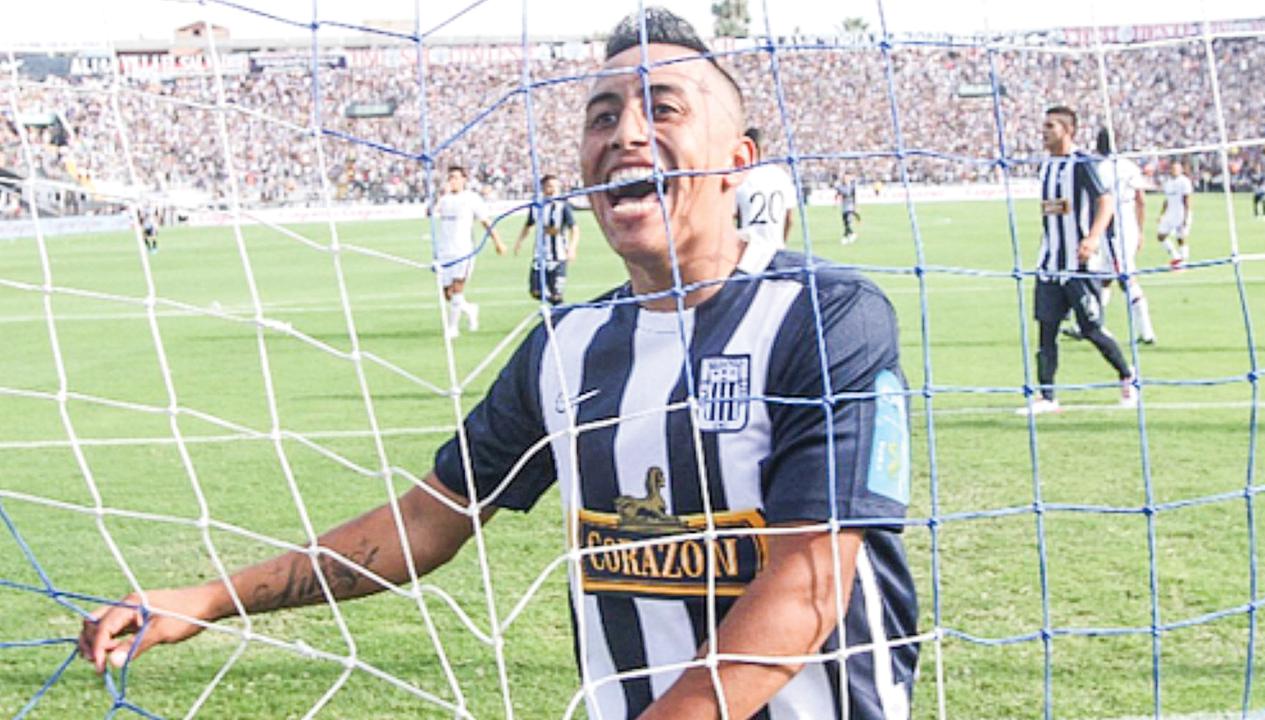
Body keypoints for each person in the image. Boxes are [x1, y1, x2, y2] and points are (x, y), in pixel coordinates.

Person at [80, 9, 918, 720]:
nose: (625, 133)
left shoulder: (827, 315)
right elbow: (426, 521)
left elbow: (808, 585)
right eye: (601, 117)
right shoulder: (567, 346)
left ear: (738, 160)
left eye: (661, 108)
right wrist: (209, 600)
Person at [1021, 106, 1136, 416]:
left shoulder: (1083, 163)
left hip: (1080, 265)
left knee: (1091, 329)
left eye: (1051, 126)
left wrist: (1093, 237)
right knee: (1046, 330)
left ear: (1068, 130)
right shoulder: (1046, 166)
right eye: (1043, 125)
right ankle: (1047, 396)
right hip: (1049, 264)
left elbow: (1106, 201)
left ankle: (1127, 375)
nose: (1044, 132)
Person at [1063, 128, 1156, 345]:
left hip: (1111, 228)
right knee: (1104, 278)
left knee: (1125, 278)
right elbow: (1141, 200)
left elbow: (1093, 201)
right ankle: (1090, 325)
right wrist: (1140, 231)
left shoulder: (1097, 167)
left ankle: (1146, 331)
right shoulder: (1128, 166)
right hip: (1128, 223)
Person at [429, 165, 505, 338]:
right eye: (450, 177)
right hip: (444, 251)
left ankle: (452, 328)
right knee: (447, 293)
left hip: (463, 251)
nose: (452, 181)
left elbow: (485, 221)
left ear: (464, 179)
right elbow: (429, 213)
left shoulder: (471, 199)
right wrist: (441, 195)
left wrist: (497, 242)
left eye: (456, 177)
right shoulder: (445, 199)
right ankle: (470, 309)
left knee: (457, 288)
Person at [734, 126, 797, 269]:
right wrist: (782, 242)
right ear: (764, 148)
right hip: (776, 252)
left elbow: (736, 217)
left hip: (748, 256)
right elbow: (790, 219)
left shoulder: (741, 177)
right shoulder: (781, 176)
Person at [512, 173, 580, 305]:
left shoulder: (563, 206)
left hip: (558, 256)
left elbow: (575, 229)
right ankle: (558, 308)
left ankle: (558, 309)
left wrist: (572, 249)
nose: (553, 189)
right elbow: (528, 225)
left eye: (556, 186)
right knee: (535, 291)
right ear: (543, 188)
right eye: (550, 186)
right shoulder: (536, 206)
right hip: (540, 256)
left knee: (557, 294)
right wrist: (519, 242)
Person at [1156, 160, 1193, 269]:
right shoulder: (1168, 182)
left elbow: (1187, 200)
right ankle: (1175, 256)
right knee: (1160, 236)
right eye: (1173, 169)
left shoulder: (1184, 182)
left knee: (1181, 238)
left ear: (1181, 170)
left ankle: (1183, 260)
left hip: (1180, 213)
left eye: (1177, 169)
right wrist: (1161, 214)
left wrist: (1186, 217)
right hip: (1170, 214)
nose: (1174, 171)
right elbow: (1167, 200)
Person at [834, 174, 861, 244]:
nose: (846, 180)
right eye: (844, 178)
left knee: (848, 220)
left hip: (850, 205)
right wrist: (835, 203)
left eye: (847, 178)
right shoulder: (840, 187)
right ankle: (846, 236)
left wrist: (856, 206)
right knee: (845, 222)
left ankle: (851, 234)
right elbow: (837, 195)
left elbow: (854, 197)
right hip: (844, 205)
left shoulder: (852, 187)